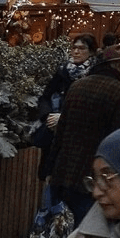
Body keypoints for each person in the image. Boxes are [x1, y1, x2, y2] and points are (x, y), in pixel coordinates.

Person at [49, 46, 120, 224]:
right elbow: (118, 141)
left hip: (65, 171)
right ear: (117, 65)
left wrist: (50, 169)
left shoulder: (77, 85)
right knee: (92, 232)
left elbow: (61, 131)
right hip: (93, 179)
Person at [35, 34, 98, 178]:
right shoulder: (63, 70)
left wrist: (64, 119)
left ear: (91, 51)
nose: (76, 52)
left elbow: (93, 106)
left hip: (79, 134)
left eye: (81, 48)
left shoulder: (94, 73)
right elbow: (45, 96)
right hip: (54, 131)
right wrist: (48, 116)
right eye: (74, 48)